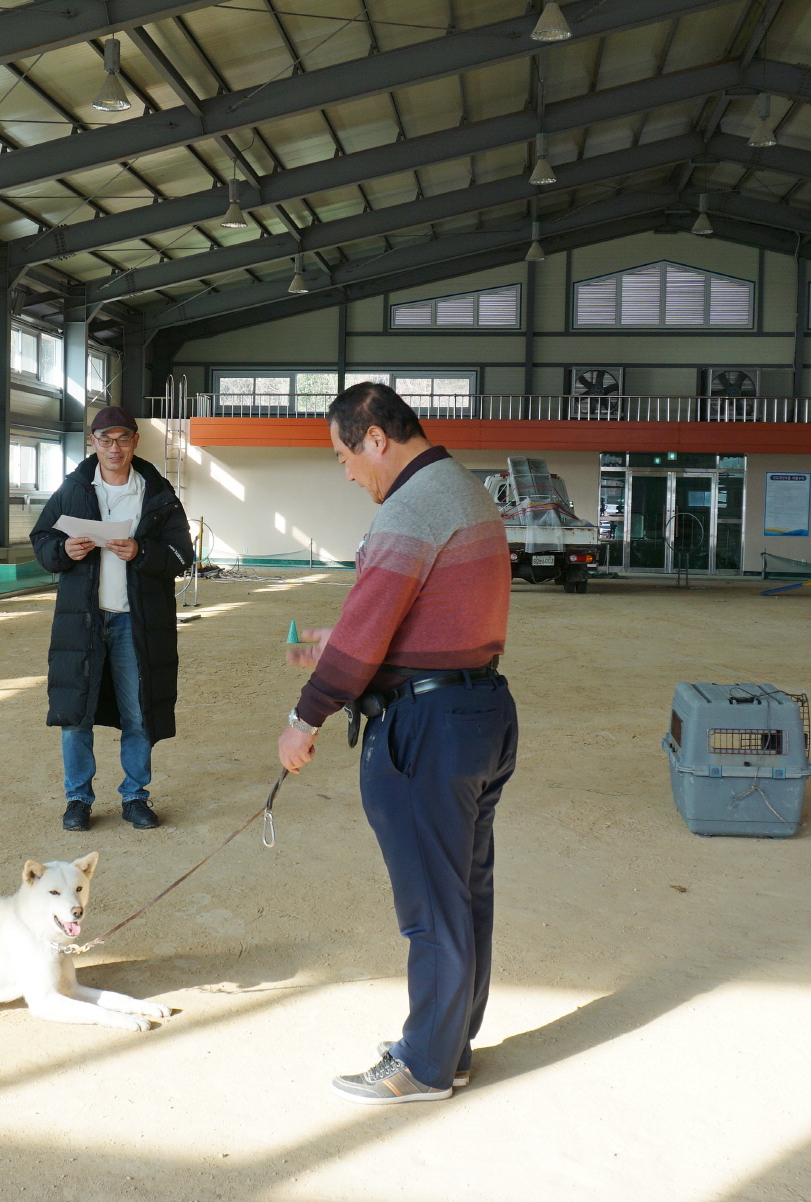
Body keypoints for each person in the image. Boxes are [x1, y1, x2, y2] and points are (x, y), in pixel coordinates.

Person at [276, 381, 515, 1105]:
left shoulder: (408, 510)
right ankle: (451, 1045)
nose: (347, 470)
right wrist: (342, 639)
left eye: (346, 454)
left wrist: (304, 717)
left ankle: (425, 1066)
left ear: (376, 437)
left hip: (425, 732)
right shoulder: (463, 489)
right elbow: (424, 617)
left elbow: (369, 637)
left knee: (430, 909)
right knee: (465, 894)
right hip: (480, 712)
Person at [32, 406, 193, 832]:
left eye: (122, 438)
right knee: (75, 715)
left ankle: (135, 797)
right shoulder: (73, 489)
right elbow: (42, 538)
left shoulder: (156, 493)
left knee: (139, 712)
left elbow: (182, 554)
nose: (114, 447)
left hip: (136, 625)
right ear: (93, 443)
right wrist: (62, 552)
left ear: (135, 441)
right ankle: (78, 799)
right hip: (81, 623)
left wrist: (142, 553)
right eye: (105, 440)